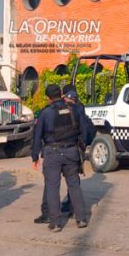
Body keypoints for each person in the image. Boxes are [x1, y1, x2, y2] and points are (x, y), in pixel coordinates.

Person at [34, 85, 94, 224]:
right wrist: (82, 146)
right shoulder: (75, 109)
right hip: (72, 150)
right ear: (61, 94)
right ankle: (81, 219)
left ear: (48, 97)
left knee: (52, 186)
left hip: (52, 152)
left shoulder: (45, 112)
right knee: (74, 185)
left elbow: (37, 136)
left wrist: (35, 155)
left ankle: (54, 222)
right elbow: (84, 129)